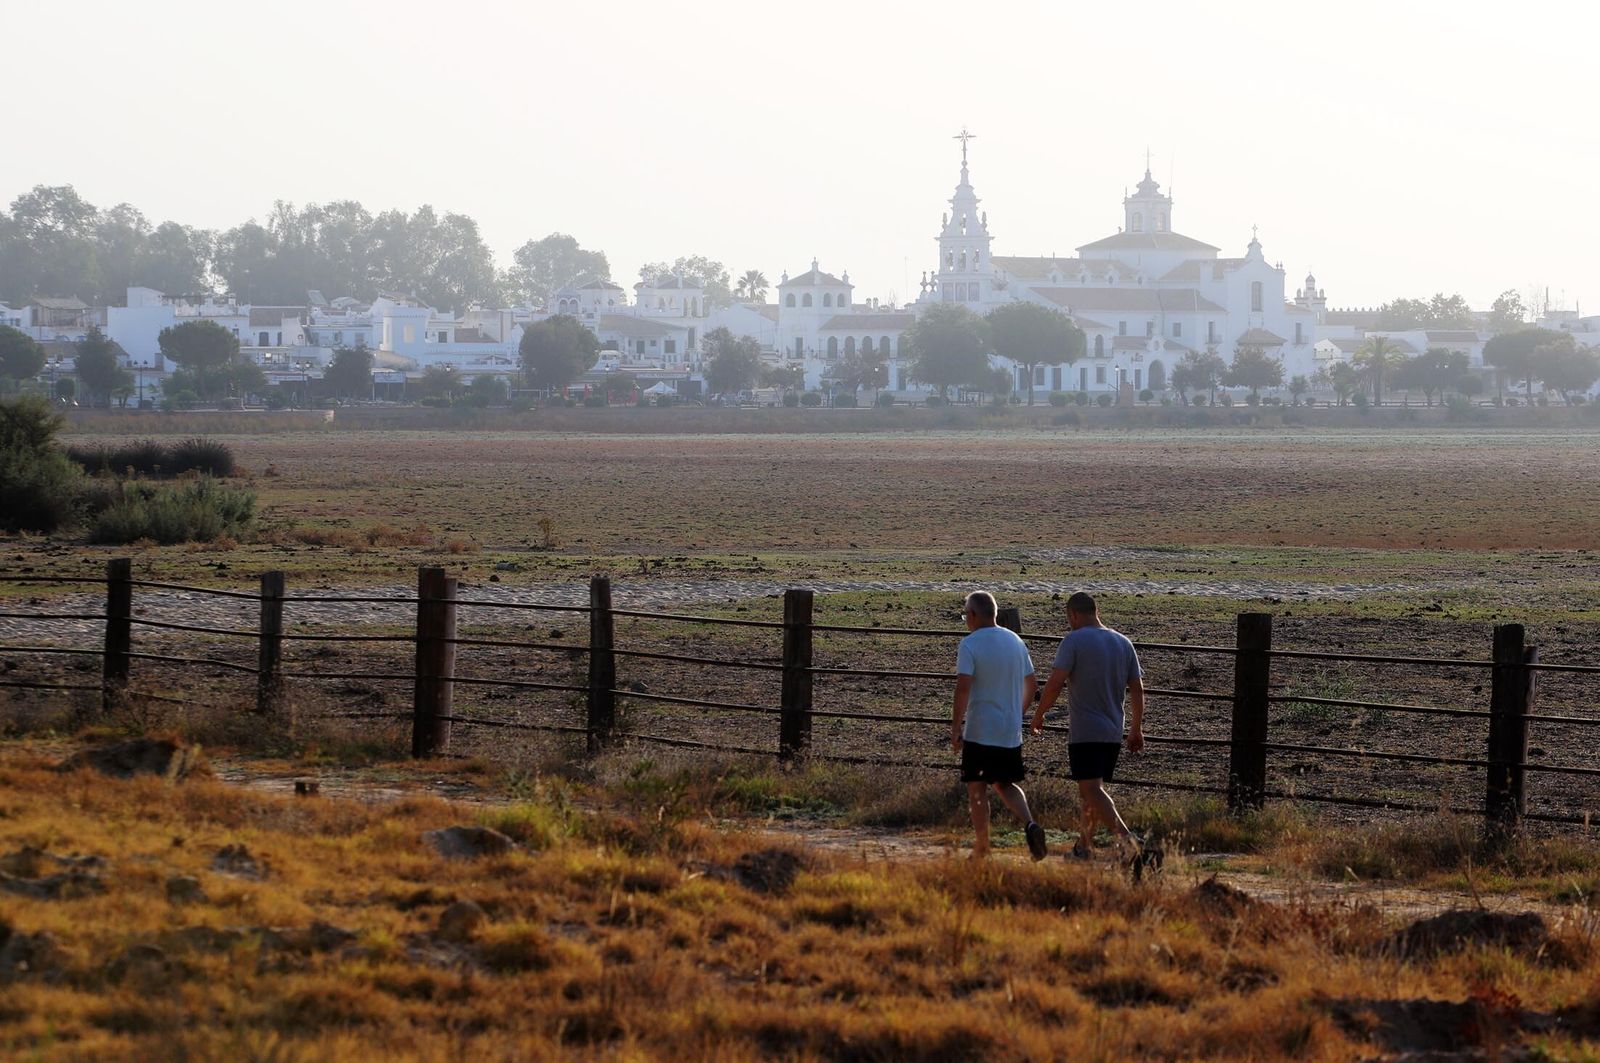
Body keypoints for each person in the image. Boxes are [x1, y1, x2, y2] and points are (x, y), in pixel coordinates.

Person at [1031, 591, 1147, 865]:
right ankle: (1083, 848)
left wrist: (1039, 713)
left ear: (1073, 614)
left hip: (1085, 731)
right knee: (1090, 791)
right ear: (1096, 611)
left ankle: (1128, 840)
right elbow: (1137, 689)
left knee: (1092, 790)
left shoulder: (1073, 641)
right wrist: (1136, 727)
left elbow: (1055, 683)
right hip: (1113, 730)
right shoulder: (1123, 642)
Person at [951, 590, 1048, 861]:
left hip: (980, 729)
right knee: (1005, 783)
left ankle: (982, 846)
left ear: (973, 615)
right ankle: (1030, 824)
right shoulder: (1015, 641)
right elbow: (1032, 684)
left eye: (966, 615)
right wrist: (1017, 714)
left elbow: (963, 688)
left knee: (976, 787)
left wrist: (956, 728)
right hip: (1009, 730)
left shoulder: (970, 644)